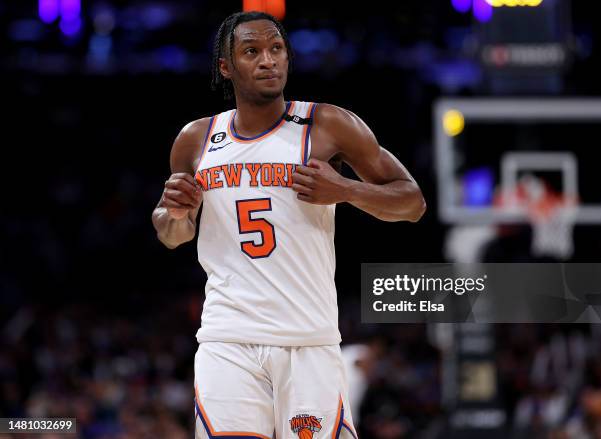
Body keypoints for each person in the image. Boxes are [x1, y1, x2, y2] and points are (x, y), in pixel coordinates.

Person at [151, 11, 425, 439]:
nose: (268, 61)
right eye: (252, 51)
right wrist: (176, 213)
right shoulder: (196, 139)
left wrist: (347, 191)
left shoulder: (328, 125)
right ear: (226, 67)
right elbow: (173, 233)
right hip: (228, 340)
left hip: (308, 340)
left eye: (276, 49)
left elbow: (412, 203)